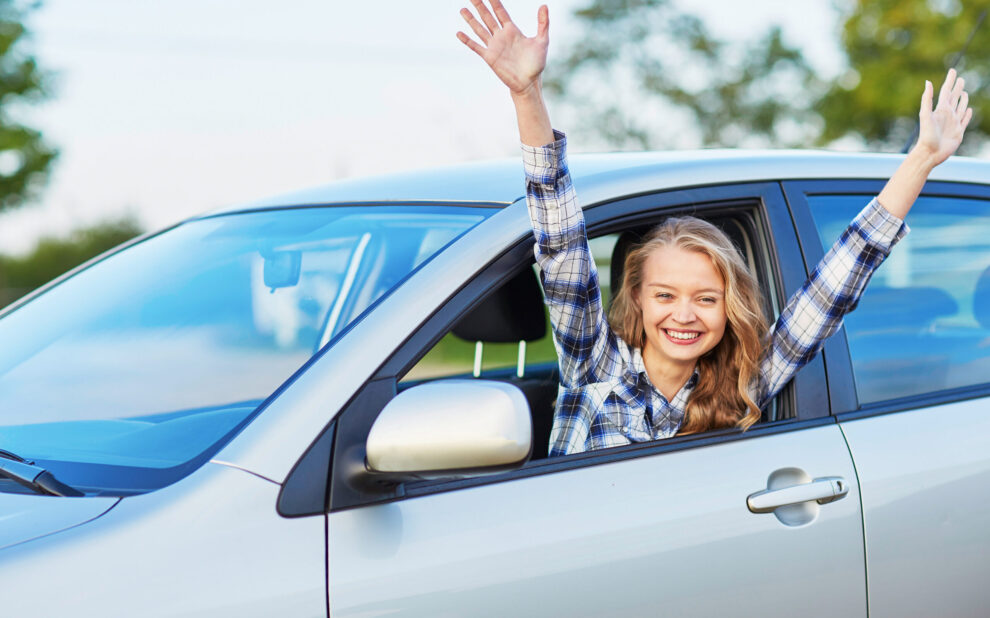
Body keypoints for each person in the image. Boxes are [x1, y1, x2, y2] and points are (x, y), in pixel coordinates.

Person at [456, 0, 973, 456]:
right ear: (634, 296)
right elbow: (562, 243)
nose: (684, 315)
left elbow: (833, 289)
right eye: (665, 295)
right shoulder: (596, 364)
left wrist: (922, 159)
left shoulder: (742, 383)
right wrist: (527, 95)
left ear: (731, 306)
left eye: (706, 298)